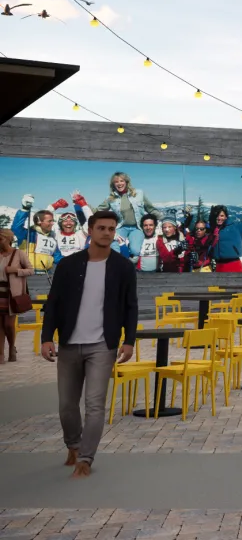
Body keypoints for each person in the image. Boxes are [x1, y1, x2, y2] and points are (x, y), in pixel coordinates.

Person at [40, 210, 138, 478]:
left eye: (111, 228)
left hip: (102, 345)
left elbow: (131, 306)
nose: (107, 233)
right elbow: (53, 304)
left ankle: (85, 458)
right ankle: (73, 444)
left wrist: (129, 341)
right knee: (67, 405)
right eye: (102, 228)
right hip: (69, 343)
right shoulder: (69, 265)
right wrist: (46, 337)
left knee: (95, 405)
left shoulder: (123, 267)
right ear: (90, 231)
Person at [96, 172, 155, 250]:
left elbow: (151, 209)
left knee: (135, 251)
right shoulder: (110, 198)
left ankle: (127, 258)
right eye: (116, 182)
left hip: (137, 228)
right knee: (114, 247)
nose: (119, 183)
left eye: (121, 181)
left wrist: (165, 220)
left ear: (126, 182)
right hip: (121, 227)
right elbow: (98, 210)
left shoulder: (138, 193)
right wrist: (82, 203)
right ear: (113, 184)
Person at [1, 228, 35, 362]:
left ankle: (11, 348)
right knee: (0, 325)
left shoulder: (18, 254)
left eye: (0, 239)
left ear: (8, 239)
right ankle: (1, 355)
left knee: (9, 324)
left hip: (11, 294)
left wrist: (16, 270)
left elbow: (31, 270)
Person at [11, 196, 60, 274]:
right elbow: (16, 228)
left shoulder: (52, 238)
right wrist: (25, 209)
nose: (52, 223)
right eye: (49, 221)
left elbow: (57, 257)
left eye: (52, 221)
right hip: (27, 273)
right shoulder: (28, 235)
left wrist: (74, 261)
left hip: (46, 275)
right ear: (39, 222)